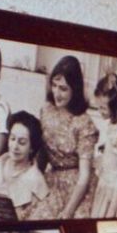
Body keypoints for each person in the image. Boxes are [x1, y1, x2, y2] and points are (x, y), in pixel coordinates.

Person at [34, 56, 99, 219]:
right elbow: (42, 155)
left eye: (63, 88)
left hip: (77, 187)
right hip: (52, 179)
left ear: (75, 90)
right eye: (54, 86)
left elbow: (85, 176)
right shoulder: (46, 110)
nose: (57, 93)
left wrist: (68, 211)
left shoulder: (84, 123)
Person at [91, 72, 117, 218]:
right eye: (98, 107)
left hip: (112, 192)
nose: (100, 112)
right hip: (105, 185)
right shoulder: (113, 125)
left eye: (103, 108)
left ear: (116, 106)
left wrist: (112, 208)